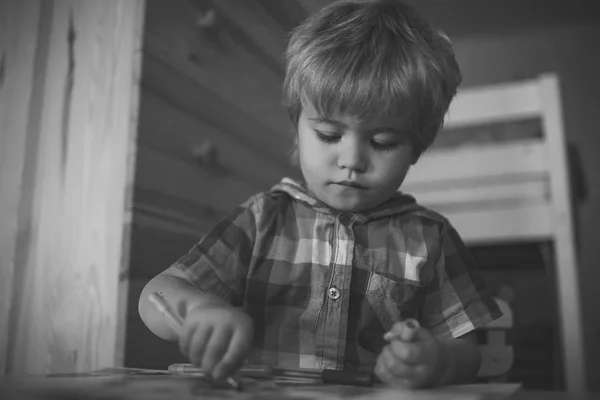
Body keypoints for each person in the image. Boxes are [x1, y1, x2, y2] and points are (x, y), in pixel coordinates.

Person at [138, 0, 502, 389]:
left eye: (382, 142)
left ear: (416, 147)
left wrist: (438, 360)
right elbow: (155, 294)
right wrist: (200, 309)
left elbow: (468, 352)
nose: (352, 160)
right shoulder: (263, 219)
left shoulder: (432, 237)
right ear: (297, 126)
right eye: (329, 135)